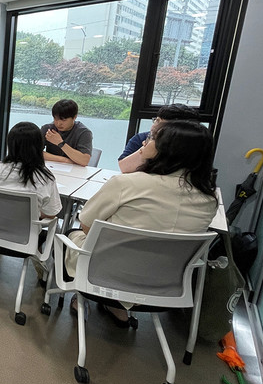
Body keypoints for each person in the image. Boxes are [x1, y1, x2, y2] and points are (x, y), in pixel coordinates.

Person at [65, 120, 218, 325]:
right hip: (165, 285)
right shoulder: (209, 201)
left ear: (168, 149)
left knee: (72, 234)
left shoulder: (127, 183)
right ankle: (117, 307)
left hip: (106, 274)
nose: (145, 142)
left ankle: (83, 298)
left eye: (152, 138)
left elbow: (87, 226)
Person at [0, 122, 62, 219]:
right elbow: (51, 214)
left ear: (10, 144)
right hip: (23, 229)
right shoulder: (45, 178)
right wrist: (35, 213)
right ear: (39, 147)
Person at [118, 103, 201, 173]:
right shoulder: (141, 138)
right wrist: (147, 147)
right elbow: (124, 168)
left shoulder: (192, 145)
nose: (155, 127)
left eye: (163, 126)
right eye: (157, 121)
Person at [40, 99, 93, 166]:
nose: (58, 124)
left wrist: (60, 143)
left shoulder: (84, 132)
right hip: (52, 167)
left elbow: (84, 161)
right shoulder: (47, 129)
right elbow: (33, 152)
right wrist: (63, 160)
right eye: (56, 119)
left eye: (63, 120)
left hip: (75, 170)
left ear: (74, 117)